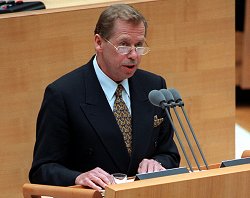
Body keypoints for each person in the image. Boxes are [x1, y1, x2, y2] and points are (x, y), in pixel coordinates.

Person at [29, 3, 180, 191]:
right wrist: (78, 177)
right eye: (124, 45)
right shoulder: (63, 93)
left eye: (139, 45)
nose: (134, 55)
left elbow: (169, 153)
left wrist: (158, 163)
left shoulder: (154, 87)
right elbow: (42, 169)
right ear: (99, 42)